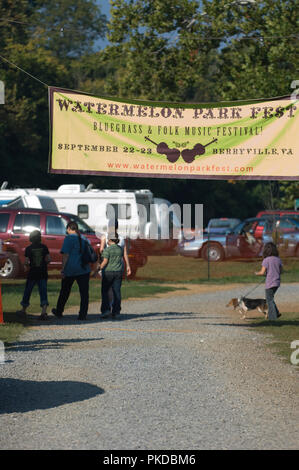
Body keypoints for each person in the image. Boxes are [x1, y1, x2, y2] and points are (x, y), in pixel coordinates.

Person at [52, 221, 91, 321]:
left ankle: (59, 311)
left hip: (71, 269)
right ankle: (83, 314)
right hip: (84, 269)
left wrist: (63, 269)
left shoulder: (68, 238)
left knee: (65, 290)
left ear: (69, 228)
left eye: (67, 229)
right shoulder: (84, 238)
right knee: (84, 293)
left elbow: (65, 255)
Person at [18, 230, 51, 320]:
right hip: (42, 273)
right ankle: (43, 312)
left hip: (32, 273)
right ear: (40, 238)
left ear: (31, 238)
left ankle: (23, 310)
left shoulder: (28, 248)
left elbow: (26, 261)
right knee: (43, 292)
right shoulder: (44, 247)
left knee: (28, 291)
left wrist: (27, 265)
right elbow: (48, 259)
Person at [99, 234, 129, 319]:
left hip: (108, 272)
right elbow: (123, 256)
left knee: (105, 291)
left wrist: (100, 267)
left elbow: (105, 261)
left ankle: (106, 310)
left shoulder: (108, 250)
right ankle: (116, 311)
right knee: (117, 292)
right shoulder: (120, 249)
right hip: (118, 272)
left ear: (110, 240)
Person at [255, 241, 283, 320]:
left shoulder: (266, 260)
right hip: (277, 282)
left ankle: (273, 318)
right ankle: (276, 313)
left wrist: (257, 273)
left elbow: (262, 272)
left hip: (269, 283)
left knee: (269, 300)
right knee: (271, 298)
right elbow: (281, 271)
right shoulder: (278, 259)